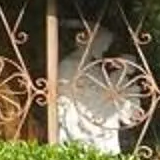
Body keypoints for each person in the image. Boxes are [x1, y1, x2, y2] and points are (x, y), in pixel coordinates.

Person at [52, 19, 150, 152]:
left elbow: (102, 90)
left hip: (95, 114)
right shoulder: (69, 64)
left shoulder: (94, 68)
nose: (104, 49)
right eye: (102, 44)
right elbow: (67, 93)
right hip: (78, 114)